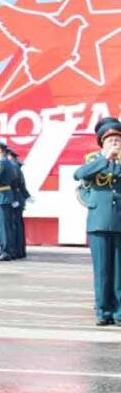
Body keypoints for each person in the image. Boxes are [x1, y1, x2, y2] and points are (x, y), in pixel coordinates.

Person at [74, 118, 121, 326]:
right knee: (102, 270)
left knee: (119, 272)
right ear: (102, 143)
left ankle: (119, 312)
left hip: (119, 220)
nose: (115, 143)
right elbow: (79, 175)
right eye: (111, 140)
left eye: (118, 140)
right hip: (99, 221)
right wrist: (105, 159)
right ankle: (103, 311)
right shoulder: (93, 159)